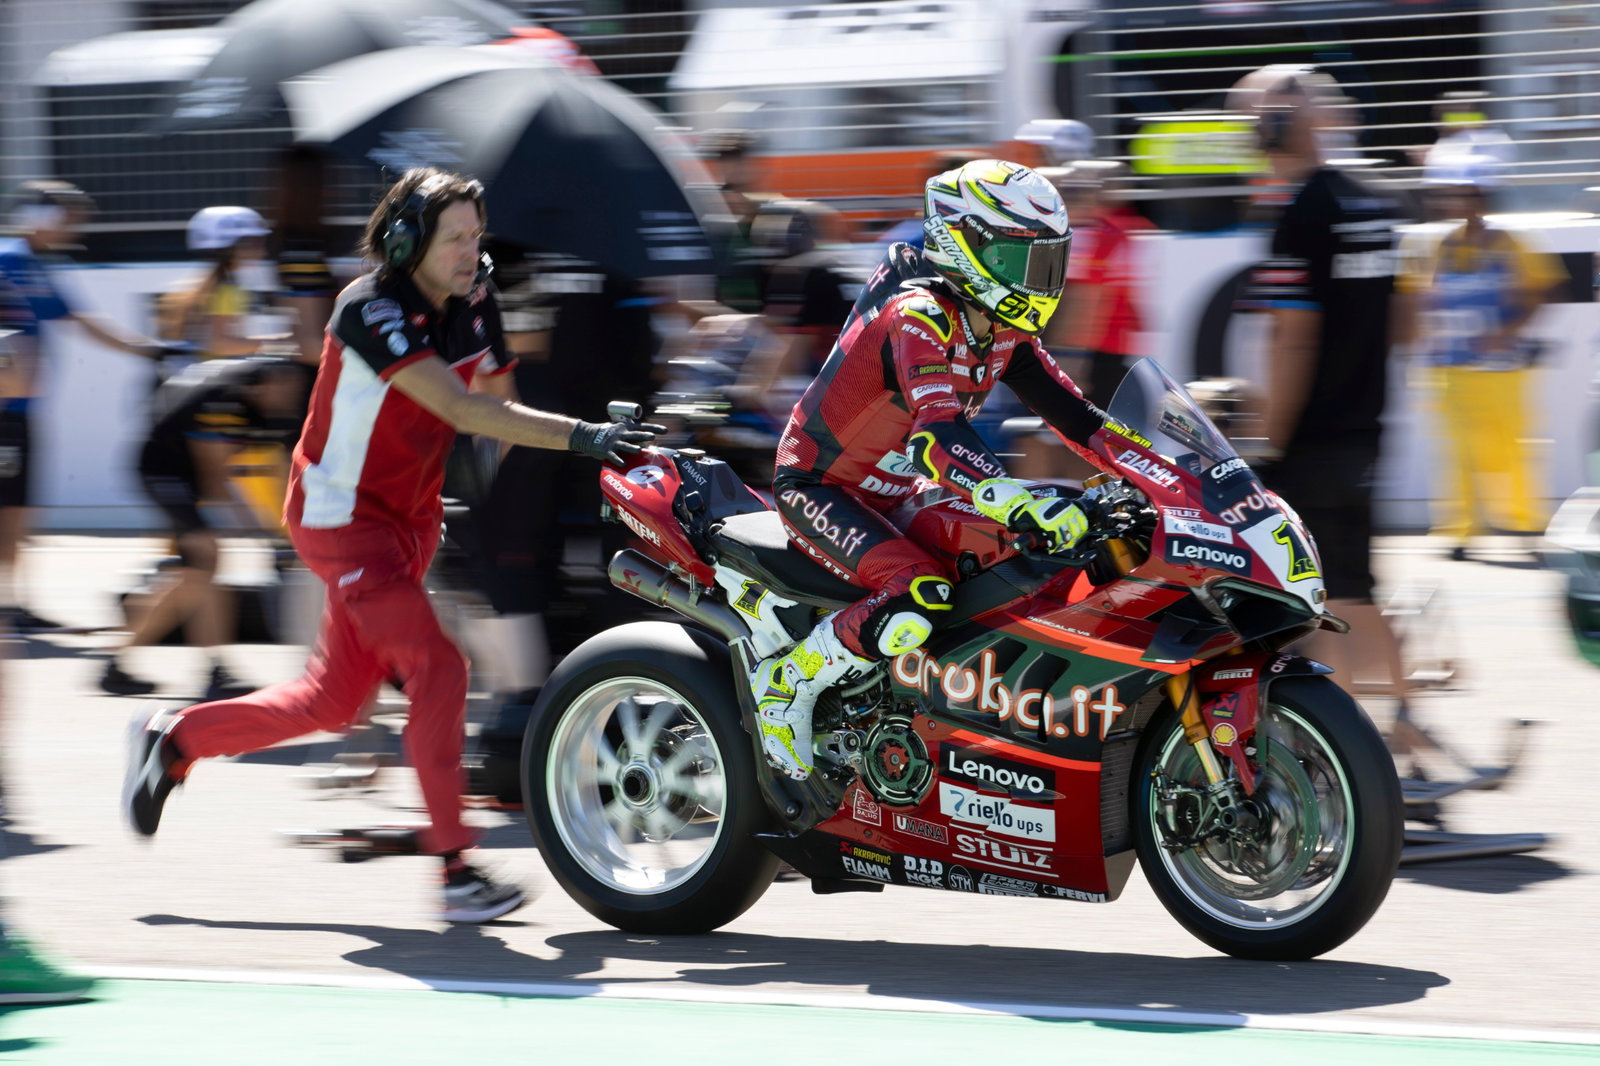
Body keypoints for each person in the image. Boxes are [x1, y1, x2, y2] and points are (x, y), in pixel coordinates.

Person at [122, 167, 659, 923]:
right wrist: (586, 437)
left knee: (331, 703)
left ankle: (173, 739)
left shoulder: (474, 294)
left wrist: (491, 453)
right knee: (441, 670)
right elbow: (458, 404)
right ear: (406, 241)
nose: (472, 252)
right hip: (342, 523)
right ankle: (455, 869)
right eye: (455, 239)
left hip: (408, 522)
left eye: (477, 236)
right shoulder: (367, 308)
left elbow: (498, 398)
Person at [752, 159, 1130, 781]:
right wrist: (1012, 495)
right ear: (967, 246)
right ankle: (787, 684)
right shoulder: (918, 315)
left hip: (899, 490)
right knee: (917, 594)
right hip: (821, 487)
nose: (1044, 280)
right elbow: (937, 439)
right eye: (1026, 260)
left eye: (1050, 262)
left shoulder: (1003, 331)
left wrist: (1171, 476)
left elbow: (1083, 420)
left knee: (1038, 547)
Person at [1228, 64, 1411, 705]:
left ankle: (1350, 737)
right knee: (1357, 587)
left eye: (1257, 118)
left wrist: (1269, 441)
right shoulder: (1374, 199)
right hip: (1366, 424)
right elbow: (1405, 321)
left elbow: (1293, 340)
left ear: (1279, 128)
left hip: (1313, 437)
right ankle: (1403, 726)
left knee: (1318, 596)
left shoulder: (1299, 215)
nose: (1252, 129)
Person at [0, 181, 176, 631]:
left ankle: (12, 604)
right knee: (10, 511)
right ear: (42, 218)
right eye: (67, 220)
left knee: (19, 511)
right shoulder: (10, 261)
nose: (71, 231)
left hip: (20, 412)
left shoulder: (30, 264)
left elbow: (76, 319)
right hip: (7, 412)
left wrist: (145, 349)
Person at [98, 356, 308, 699]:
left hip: (187, 474)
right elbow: (215, 481)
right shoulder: (223, 401)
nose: (293, 396)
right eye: (286, 388)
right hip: (163, 472)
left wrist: (287, 530)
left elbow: (286, 472)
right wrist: (267, 535)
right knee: (207, 557)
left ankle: (116, 662)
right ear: (261, 386)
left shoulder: (274, 405)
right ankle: (215, 670)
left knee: (191, 577)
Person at [1395, 157, 1564, 560]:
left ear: (1484, 197)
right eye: (1454, 195)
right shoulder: (1435, 246)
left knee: (1514, 447)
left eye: (1470, 194)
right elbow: (1413, 299)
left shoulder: (1511, 243)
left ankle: (1526, 526)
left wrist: (1505, 334)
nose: (1461, 203)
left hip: (1504, 370)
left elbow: (1544, 290)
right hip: (1449, 368)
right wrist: (1418, 345)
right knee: (1457, 453)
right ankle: (1461, 532)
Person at [156, 206, 276, 368]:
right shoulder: (227, 290)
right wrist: (279, 344)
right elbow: (220, 344)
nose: (263, 252)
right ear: (232, 248)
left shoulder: (204, 285)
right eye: (255, 243)